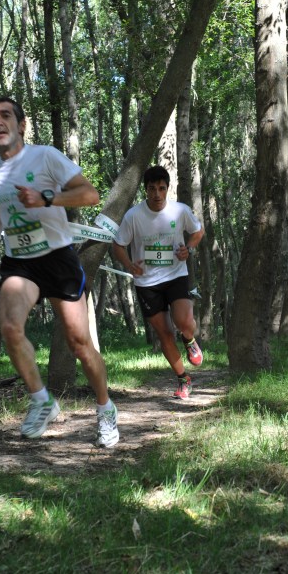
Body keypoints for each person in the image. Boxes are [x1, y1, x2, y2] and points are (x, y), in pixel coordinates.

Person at [0, 95, 118, 448]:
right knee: (10, 327)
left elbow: (90, 194)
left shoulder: (46, 156)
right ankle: (42, 400)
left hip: (57, 256)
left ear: (22, 124)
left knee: (79, 344)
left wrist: (46, 198)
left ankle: (105, 409)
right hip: (20, 261)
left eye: (5, 115)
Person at [112, 165, 205, 400]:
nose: (157, 194)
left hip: (175, 275)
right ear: (145, 190)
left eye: (161, 188)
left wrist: (188, 249)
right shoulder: (133, 216)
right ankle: (183, 379)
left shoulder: (180, 211)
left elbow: (198, 232)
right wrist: (129, 264)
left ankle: (189, 339)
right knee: (165, 334)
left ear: (167, 189)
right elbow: (118, 245)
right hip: (147, 283)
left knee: (184, 321)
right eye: (152, 188)